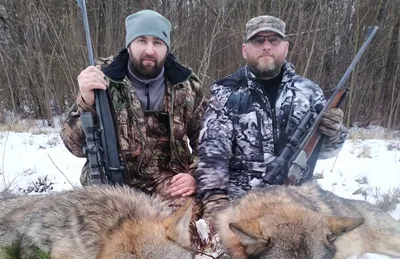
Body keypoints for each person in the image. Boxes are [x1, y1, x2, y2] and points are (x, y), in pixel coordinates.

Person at [196, 15, 347, 220]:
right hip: (244, 201)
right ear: (245, 50)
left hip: (301, 198)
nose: (266, 46)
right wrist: (216, 203)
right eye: (258, 40)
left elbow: (324, 152)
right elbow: (213, 157)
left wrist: (334, 133)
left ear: (285, 47)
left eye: (273, 40)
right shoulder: (226, 93)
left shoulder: (310, 92)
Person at [61, 10, 206, 208]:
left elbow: (208, 140)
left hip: (169, 182)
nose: (149, 50)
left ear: (166, 47)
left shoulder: (186, 84)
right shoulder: (102, 79)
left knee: (181, 227)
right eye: (141, 41)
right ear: (129, 44)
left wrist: (195, 173)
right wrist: (87, 102)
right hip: (112, 182)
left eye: (157, 42)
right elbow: (75, 147)